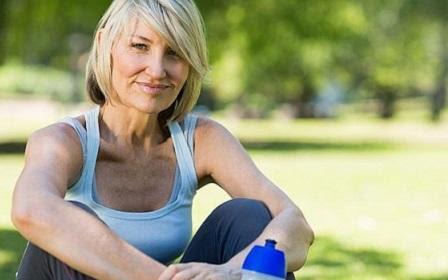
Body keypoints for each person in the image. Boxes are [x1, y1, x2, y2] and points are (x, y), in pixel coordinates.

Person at [10, 0, 314, 279]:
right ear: (105, 45)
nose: (156, 70)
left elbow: (294, 224)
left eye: (174, 53)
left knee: (249, 215)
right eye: (140, 46)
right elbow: (31, 210)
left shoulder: (201, 140)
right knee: (62, 228)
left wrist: (230, 274)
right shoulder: (62, 141)